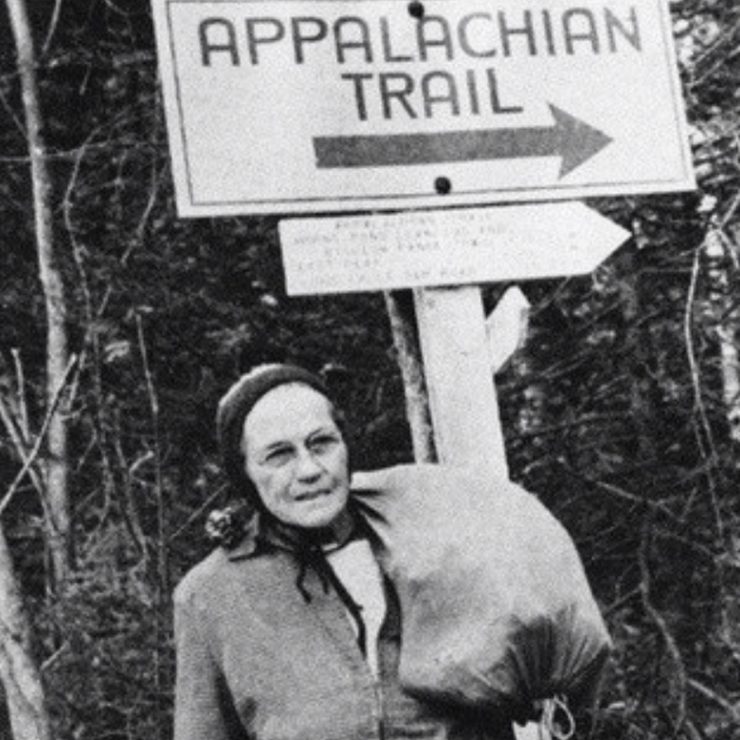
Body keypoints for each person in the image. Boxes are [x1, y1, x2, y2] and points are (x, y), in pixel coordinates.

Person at [173, 363, 519, 740]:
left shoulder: (420, 543)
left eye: (321, 443)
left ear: (345, 445)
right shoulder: (212, 595)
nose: (309, 469)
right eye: (279, 455)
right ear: (244, 473)